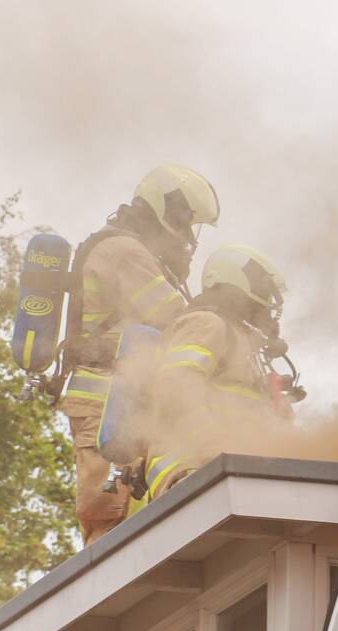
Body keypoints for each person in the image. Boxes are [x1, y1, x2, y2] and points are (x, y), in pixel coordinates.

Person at [60, 164, 218, 544]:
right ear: (163, 207)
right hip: (103, 401)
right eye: (184, 220)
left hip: (119, 397)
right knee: (108, 514)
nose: (186, 234)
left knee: (141, 498)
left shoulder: (130, 248)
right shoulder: (124, 251)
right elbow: (171, 319)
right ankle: (101, 594)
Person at [126, 245, 291, 514]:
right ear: (236, 284)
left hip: (225, 473)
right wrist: (216, 447)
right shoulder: (206, 323)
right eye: (262, 292)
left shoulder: (246, 350)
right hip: (189, 467)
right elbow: (175, 388)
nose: (268, 306)